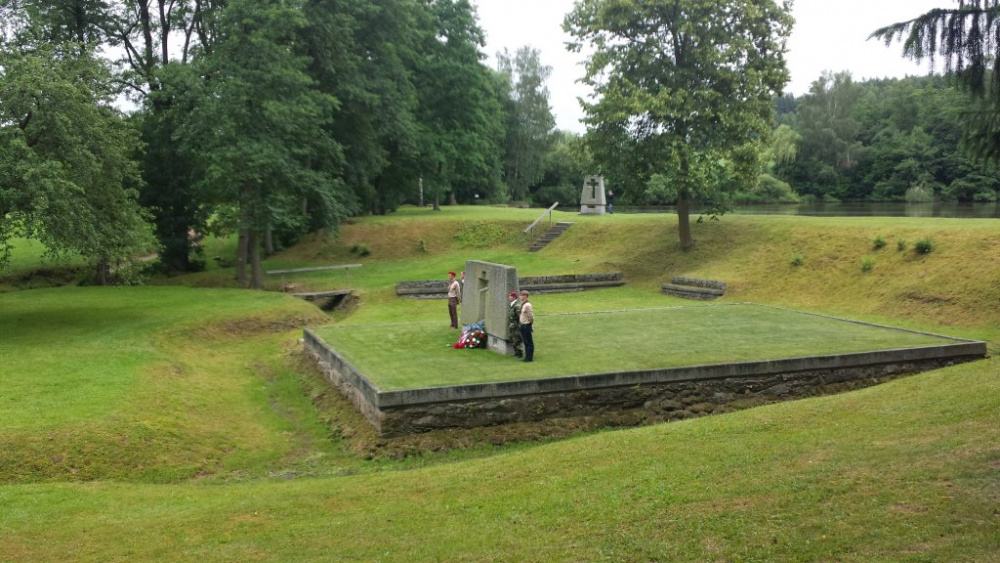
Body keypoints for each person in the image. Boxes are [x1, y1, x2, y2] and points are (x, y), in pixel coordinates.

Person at [518, 289, 534, 362]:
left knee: (528, 342)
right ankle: (527, 356)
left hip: (526, 325)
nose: (520, 297)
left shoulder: (527, 305)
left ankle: (529, 358)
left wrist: (529, 324)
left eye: (521, 295)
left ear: (525, 296)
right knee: (525, 342)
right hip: (523, 325)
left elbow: (530, 316)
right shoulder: (523, 304)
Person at [507, 290, 522, 358]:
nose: (509, 297)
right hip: (512, 326)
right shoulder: (511, 305)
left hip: (516, 326)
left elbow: (520, 317)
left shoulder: (517, 306)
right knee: (512, 339)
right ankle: (516, 352)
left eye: (510, 296)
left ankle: (519, 353)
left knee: (517, 340)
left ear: (514, 297)